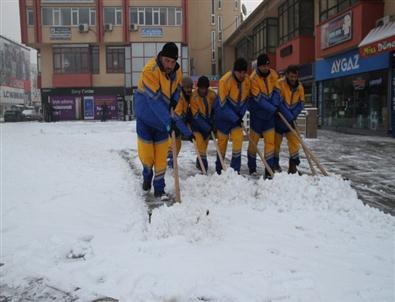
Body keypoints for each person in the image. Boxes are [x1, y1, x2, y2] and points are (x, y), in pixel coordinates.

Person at [134, 42, 183, 200]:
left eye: (172, 62)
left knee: (161, 157)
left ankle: (159, 189)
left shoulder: (177, 71)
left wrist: (175, 99)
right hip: (146, 119)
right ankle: (147, 175)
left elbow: (177, 87)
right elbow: (155, 102)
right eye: (166, 61)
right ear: (161, 57)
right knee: (148, 156)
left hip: (162, 122)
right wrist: (169, 122)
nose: (169, 65)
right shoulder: (150, 71)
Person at [214, 58, 251, 174]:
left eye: (244, 72)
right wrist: (234, 117)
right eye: (239, 72)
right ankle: (219, 170)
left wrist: (241, 114)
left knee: (238, 141)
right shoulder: (224, 81)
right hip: (223, 118)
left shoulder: (247, 81)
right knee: (222, 144)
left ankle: (235, 170)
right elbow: (222, 105)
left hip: (237, 118)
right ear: (234, 70)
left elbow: (246, 100)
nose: (242, 75)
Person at [247, 54, 280, 178]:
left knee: (270, 143)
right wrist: (273, 109)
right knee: (253, 143)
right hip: (257, 116)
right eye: (263, 66)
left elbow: (277, 91)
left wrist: (275, 105)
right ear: (259, 66)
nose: (266, 68)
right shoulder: (253, 79)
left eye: (267, 65)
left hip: (269, 117)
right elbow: (258, 99)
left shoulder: (274, 74)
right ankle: (252, 167)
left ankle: (269, 169)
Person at [274, 65, 305, 174]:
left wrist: (293, 115)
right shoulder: (279, 84)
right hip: (279, 118)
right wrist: (288, 115)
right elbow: (278, 102)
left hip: (291, 120)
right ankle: (275, 165)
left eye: (295, 76)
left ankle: (293, 167)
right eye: (291, 76)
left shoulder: (300, 87)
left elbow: (301, 104)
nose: (293, 79)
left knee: (294, 142)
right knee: (276, 143)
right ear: (287, 74)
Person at [190, 76, 217, 172]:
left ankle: (199, 161)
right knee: (200, 144)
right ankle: (203, 165)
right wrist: (206, 127)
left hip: (208, 125)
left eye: (205, 88)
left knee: (204, 146)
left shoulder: (212, 95)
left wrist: (213, 124)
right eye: (201, 88)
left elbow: (215, 109)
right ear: (198, 87)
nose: (203, 90)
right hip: (197, 125)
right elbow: (195, 115)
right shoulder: (193, 97)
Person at [167, 76, 195, 168]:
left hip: (178, 125)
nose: (189, 90)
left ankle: (171, 162)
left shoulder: (188, 97)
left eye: (190, 87)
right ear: (183, 87)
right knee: (173, 144)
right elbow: (177, 118)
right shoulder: (180, 98)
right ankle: (168, 161)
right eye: (187, 87)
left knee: (178, 145)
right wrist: (188, 133)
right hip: (172, 124)